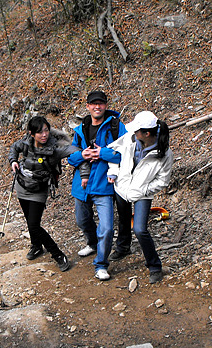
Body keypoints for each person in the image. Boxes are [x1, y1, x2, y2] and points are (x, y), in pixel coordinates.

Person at [8, 116, 82, 272]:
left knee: (34, 225)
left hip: (39, 189)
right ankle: (36, 246)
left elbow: (73, 150)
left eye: (46, 130)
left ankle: (58, 254)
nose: (44, 135)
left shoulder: (55, 148)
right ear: (31, 133)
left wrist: (85, 152)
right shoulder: (26, 143)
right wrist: (13, 160)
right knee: (30, 220)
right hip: (22, 185)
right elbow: (14, 147)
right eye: (40, 132)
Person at [106, 110, 173, 284]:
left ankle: (155, 266)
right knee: (123, 219)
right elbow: (113, 152)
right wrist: (113, 171)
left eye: (137, 130)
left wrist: (145, 190)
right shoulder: (130, 138)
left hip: (142, 193)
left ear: (147, 133)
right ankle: (123, 248)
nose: (134, 132)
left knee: (140, 229)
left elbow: (163, 180)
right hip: (122, 187)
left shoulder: (164, 153)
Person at [66, 91, 127, 281]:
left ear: (106, 105)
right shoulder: (80, 129)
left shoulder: (116, 127)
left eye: (101, 103)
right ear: (87, 106)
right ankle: (93, 243)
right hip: (82, 186)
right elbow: (70, 158)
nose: (97, 107)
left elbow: (126, 154)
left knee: (107, 228)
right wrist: (82, 155)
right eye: (93, 104)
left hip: (104, 186)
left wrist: (102, 153)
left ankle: (101, 264)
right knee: (82, 221)